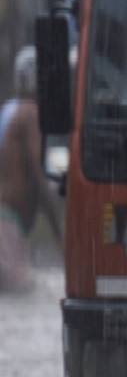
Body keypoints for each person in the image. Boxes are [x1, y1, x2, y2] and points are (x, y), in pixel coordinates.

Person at [0, 47, 63, 290]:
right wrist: (61, 237)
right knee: (29, 291)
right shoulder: (30, 115)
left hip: (5, 223)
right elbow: (42, 176)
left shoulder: (8, 111)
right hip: (7, 228)